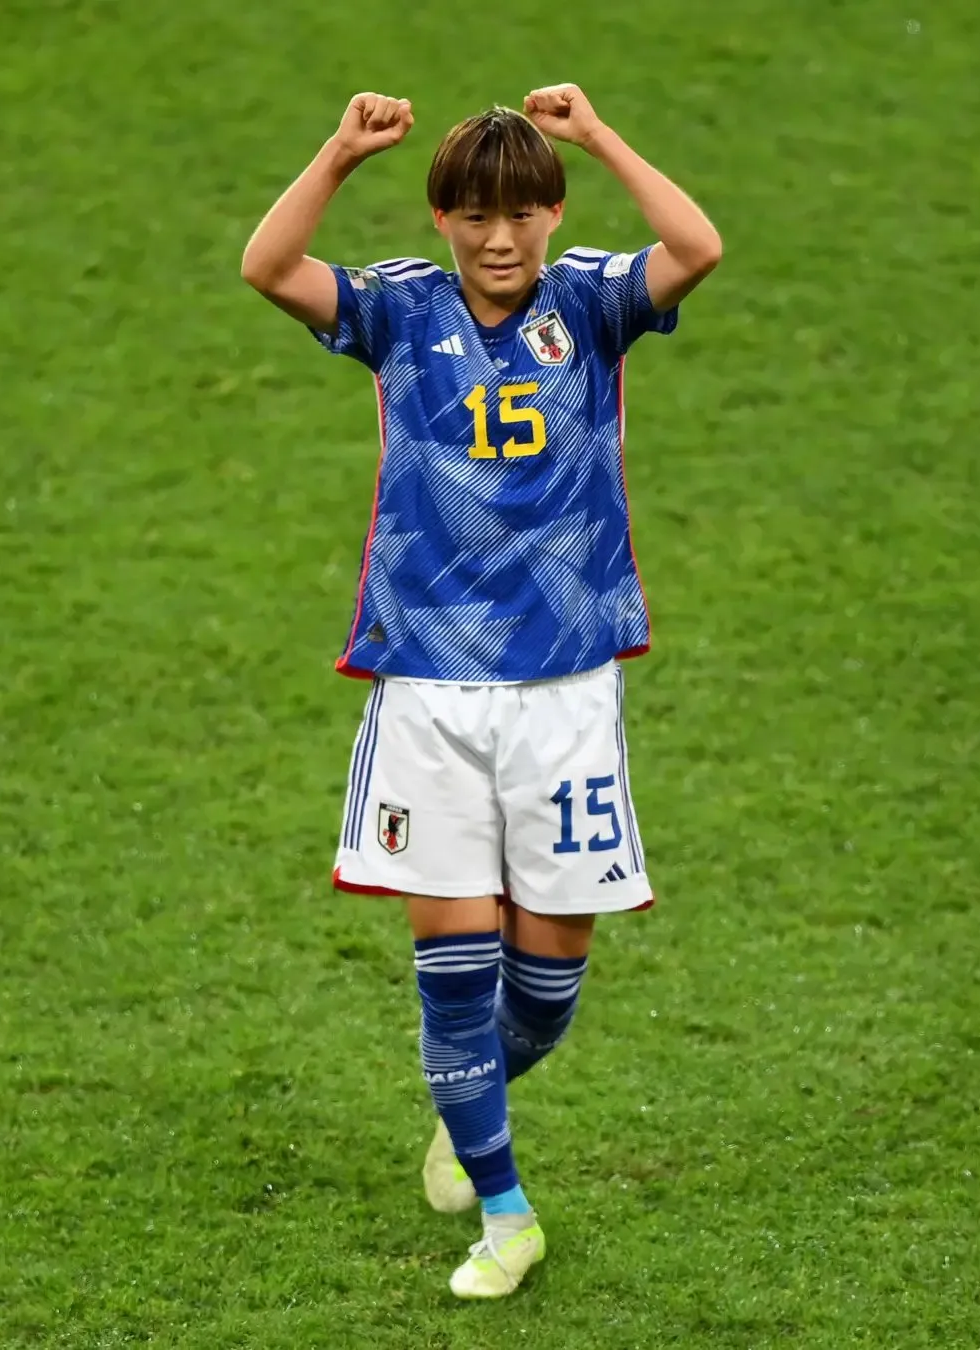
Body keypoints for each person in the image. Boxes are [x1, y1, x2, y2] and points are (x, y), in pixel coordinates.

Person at [241, 83, 721, 1299]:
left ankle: (473, 1115)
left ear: (553, 213)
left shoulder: (595, 304)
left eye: (520, 212)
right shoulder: (398, 311)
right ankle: (506, 1214)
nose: (498, 237)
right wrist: (339, 154)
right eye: (474, 213)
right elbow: (268, 264)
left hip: (566, 698)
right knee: (453, 975)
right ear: (445, 217)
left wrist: (603, 135)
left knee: (546, 995)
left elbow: (698, 246)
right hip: (429, 694)